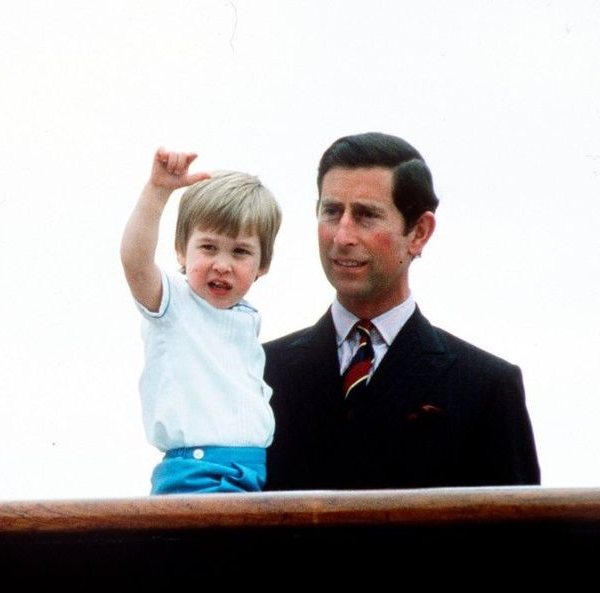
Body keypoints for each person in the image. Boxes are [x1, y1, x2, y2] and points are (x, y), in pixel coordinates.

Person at [264, 132, 540, 490]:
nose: (342, 235)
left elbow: (525, 539)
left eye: (366, 215)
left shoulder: (485, 386)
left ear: (419, 233)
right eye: (331, 212)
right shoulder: (257, 372)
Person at [121, 148, 282, 494]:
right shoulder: (173, 304)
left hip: (253, 471)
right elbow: (135, 260)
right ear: (182, 250)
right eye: (209, 248)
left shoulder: (247, 318)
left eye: (239, 252)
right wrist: (157, 191)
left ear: (263, 264)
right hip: (196, 472)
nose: (222, 264)